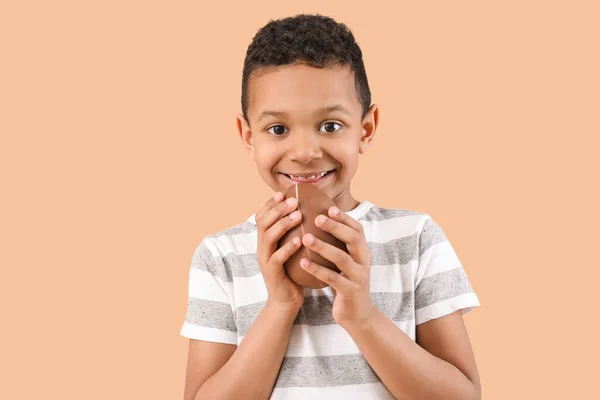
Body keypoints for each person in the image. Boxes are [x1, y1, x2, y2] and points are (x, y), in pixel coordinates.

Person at [181, 14, 481, 400]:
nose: (305, 152)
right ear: (248, 136)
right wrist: (279, 306)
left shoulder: (416, 240)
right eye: (278, 129)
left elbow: (462, 396)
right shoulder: (221, 257)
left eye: (330, 126)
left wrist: (363, 317)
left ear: (366, 129)